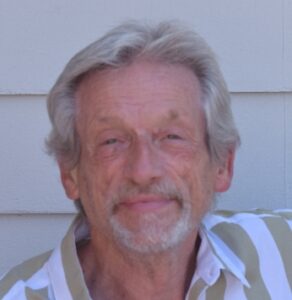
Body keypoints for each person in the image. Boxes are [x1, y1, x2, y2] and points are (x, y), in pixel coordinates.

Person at [0, 20, 291, 300]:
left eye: (172, 137)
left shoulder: (281, 255)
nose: (143, 171)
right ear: (70, 174)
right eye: (111, 141)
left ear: (222, 165)